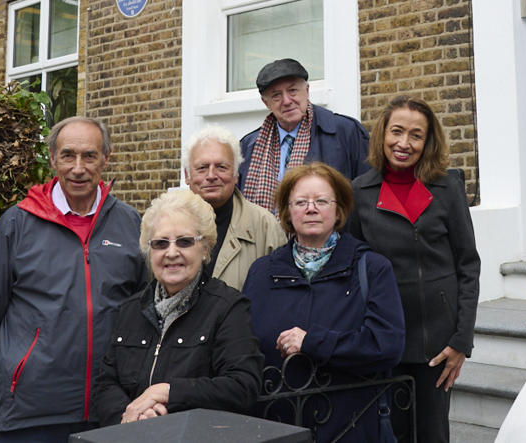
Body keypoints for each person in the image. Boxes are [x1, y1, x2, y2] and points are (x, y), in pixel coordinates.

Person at [0, 116, 148, 442]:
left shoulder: (130, 223)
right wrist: (6, 390)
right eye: (68, 155)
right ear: (52, 159)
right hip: (30, 415)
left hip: (110, 411)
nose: (78, 167)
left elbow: (146, 311)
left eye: (89, 156)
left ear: (106, 158)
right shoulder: (17, 224)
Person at [347, 96, 481, 443]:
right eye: (397, 131)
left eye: (416, 135)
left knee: (431, 434)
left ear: (428, 141)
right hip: (383, 335)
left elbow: (468, 264)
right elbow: (352, 264)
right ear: (382, 135)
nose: (404, 143)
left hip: (435, 342)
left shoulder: (447, 188)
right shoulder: (360, 192)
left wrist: (461, 341)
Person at [242, 163, 405, 442]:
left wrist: (313, 342)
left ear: (339, 210)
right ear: (287, 212)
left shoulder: (371, 268)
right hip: (276, 428)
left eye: (321, 201)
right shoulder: (262, 272)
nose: (311, 209)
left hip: (349, 426)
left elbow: (386, 344)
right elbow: (244, 345)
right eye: (301, 202)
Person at [93, 189, 264, 426]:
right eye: (161, 243)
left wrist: (168, 392)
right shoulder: (131, 310)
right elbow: (105, 384)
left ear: (205, 248)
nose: (172, 253)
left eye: (184, 241)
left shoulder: (228, 308)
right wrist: (131, 415)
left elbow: (242, 386)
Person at [238, 58, 370, 212]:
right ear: (266, 103)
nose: (286, 101)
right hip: (263, 236)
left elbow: (366, 197)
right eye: (276, 95)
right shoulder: (248, 147)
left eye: (293, 90)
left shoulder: (346, 132)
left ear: (306, 91)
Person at [182, 125, 286, 290]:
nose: (211, 176)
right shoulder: (165, 224)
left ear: (236, 174)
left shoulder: (265, 227)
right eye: (202, 168)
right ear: (187, 175)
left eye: (221, 167)